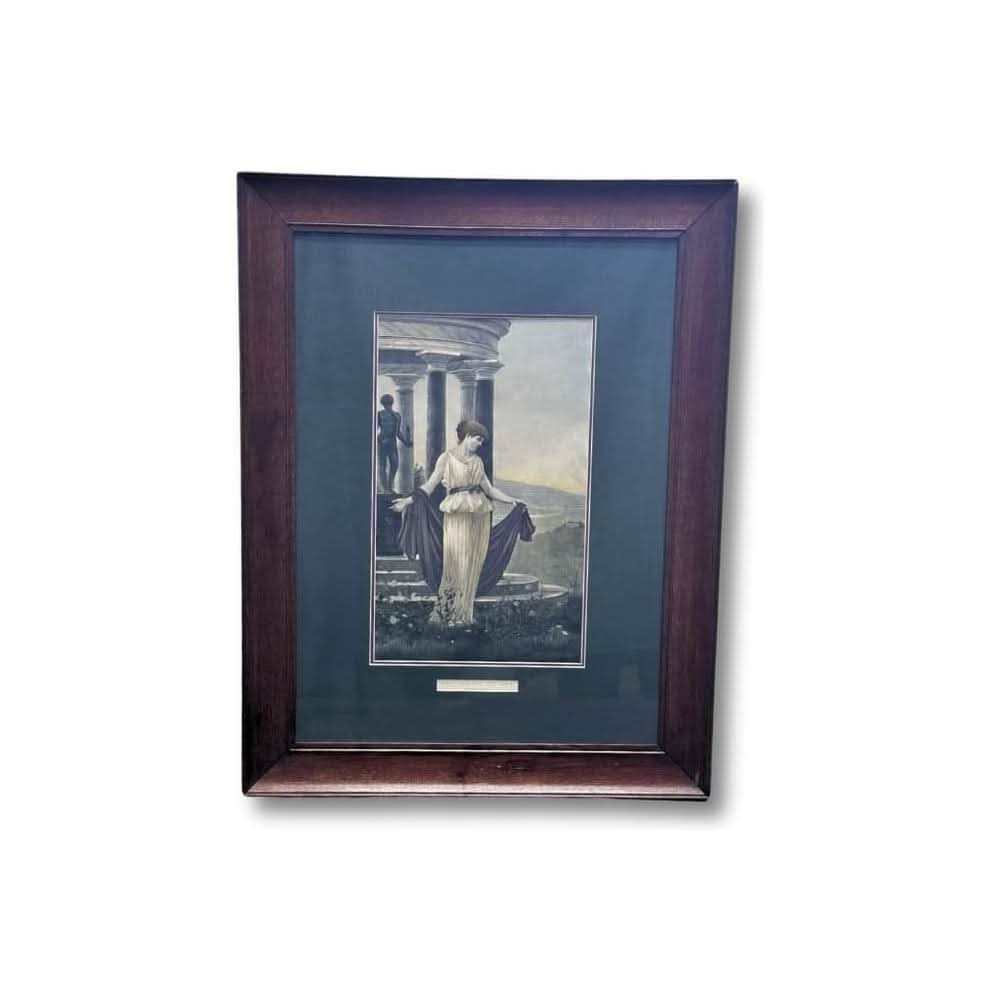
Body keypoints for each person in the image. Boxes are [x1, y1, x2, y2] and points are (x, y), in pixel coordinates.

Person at [392, 419, 522, 625]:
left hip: (479, 516)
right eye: (478, 439)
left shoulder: (477, 462)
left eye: (482, 441)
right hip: (457, 514)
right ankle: (447, 613)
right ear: (467, 436)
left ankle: (464, 615)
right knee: (456, 564)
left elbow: (489, 490)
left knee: (472, 564)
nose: (479, 444)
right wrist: (408, 501)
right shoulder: (447, 458)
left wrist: (512, 501)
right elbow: (430, 485)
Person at [375, 393, 412, 493]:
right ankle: (385, 489)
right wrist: (379, 440)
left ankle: (389, 486)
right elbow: (375, 429)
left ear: (391, 404)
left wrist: (406, 442)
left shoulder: (397, 415)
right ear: (383, 404)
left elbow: (398, 432)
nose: (387, 406)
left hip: (392, 443)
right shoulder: (379, 414)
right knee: (382, 465)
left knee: (394, 464)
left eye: (388, 404)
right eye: (385, 404)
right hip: (382, 442)